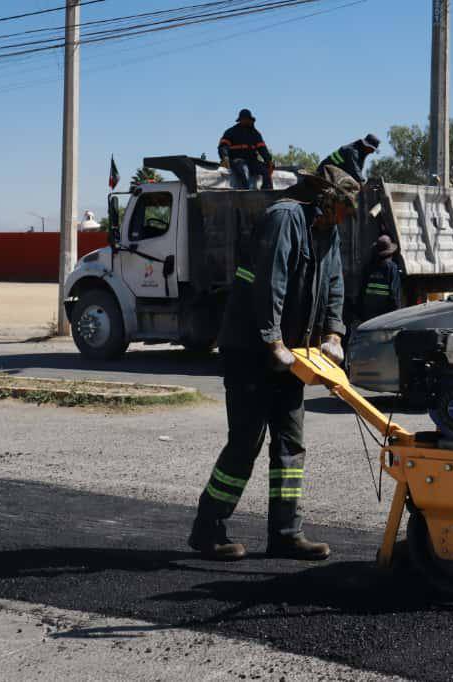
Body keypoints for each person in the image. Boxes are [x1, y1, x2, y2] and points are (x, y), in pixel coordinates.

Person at [188, 165, 361, 562]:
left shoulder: (325, 231)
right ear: (326, 200)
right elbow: (270, 282)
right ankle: (207, 528)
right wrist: (273, 341)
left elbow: (334, 282)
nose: (345, 219)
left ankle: (286, 532)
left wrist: (333, 334)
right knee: (245, 443)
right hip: (251, 350)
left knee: (290, 442)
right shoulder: (284, 219)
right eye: (343, 210)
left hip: (291, 355)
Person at [218, 108, 274, 189]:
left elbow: (262, 149)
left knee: (265, 171)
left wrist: (268, 160)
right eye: (244, 119)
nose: (246, 121)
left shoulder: (255, 133)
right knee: (244, 170)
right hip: (237, 160)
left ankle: (266, 191)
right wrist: (225, 157)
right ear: (240, 120)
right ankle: (246, 192)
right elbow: (223, 146)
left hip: (252, 161)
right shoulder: (231, 132)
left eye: (248, 119)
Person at [360, 235, 403, 321]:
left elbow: (362, 290)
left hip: (369, 313)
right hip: (385, 314)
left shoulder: (368, 266)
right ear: (390, 253)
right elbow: (394, 294)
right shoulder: (392, 268)